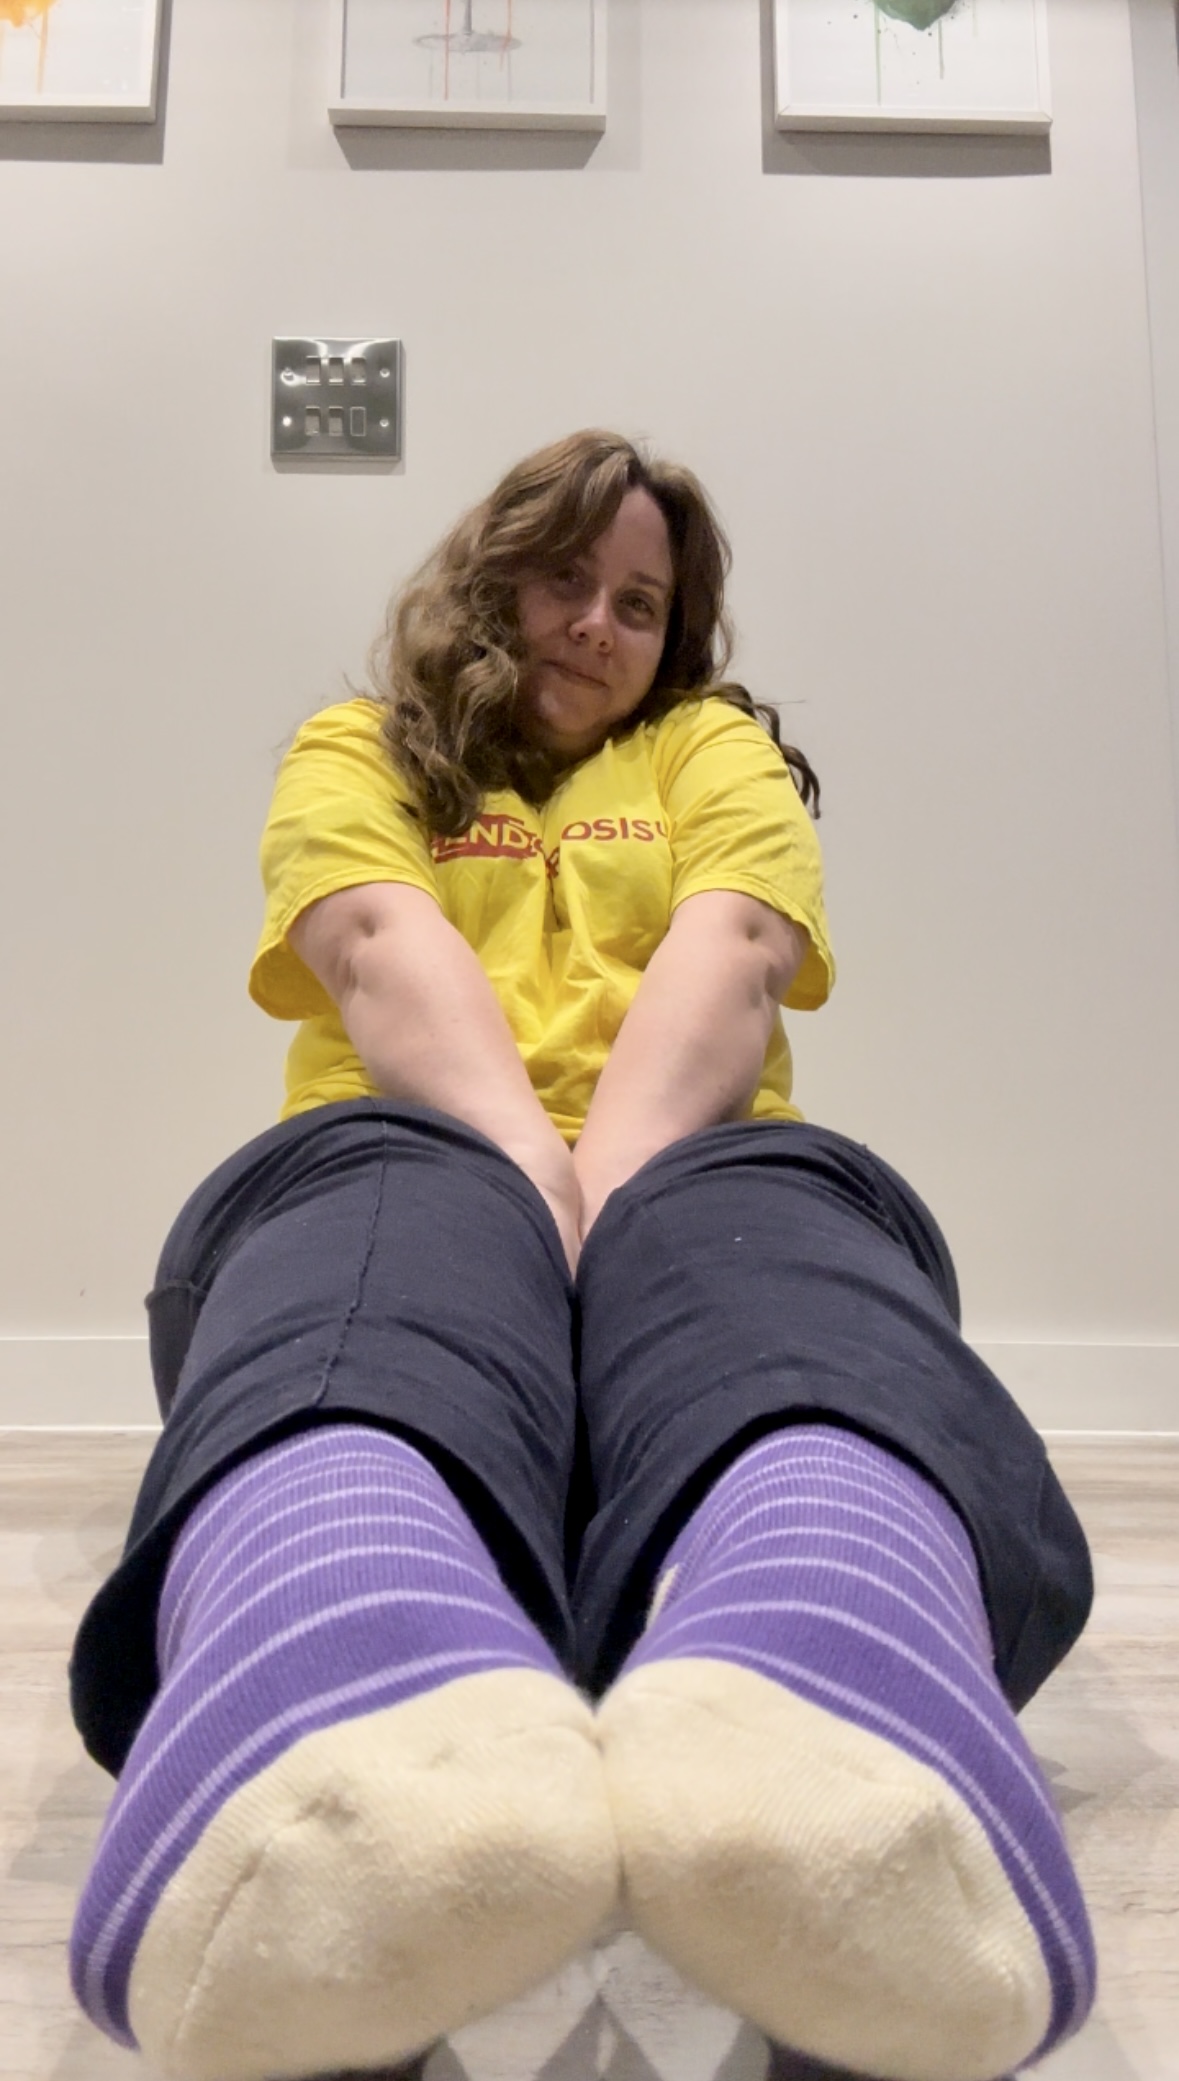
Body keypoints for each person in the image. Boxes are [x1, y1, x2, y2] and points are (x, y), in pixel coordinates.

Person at [67, 430, 1095, 2081]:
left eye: (639, 600)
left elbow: (741, 943)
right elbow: (375, 941)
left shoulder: (705, 748)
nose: (600, 624)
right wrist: (529, 1183)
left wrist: (606, 1195)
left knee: (771, 1252)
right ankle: (332, 1739)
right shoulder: (361, 749)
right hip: (395, 1146)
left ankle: (829, 1716)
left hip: (689, 1153)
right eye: (569, 579)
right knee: (409, 1232)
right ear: (493, 570)